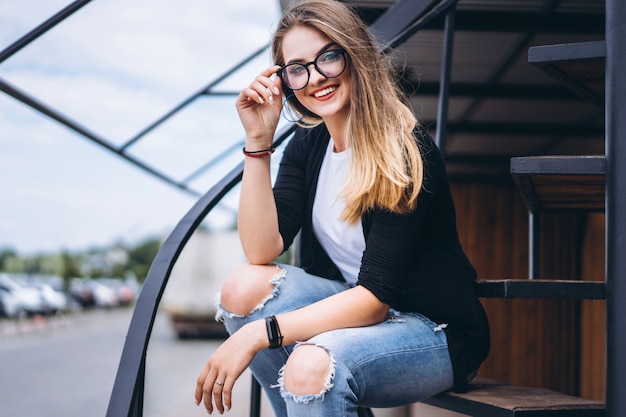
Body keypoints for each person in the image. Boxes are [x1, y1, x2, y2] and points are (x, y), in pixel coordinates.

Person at [195, 1, 490, 415]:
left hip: (432, 330)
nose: (315, 78)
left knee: (310, 365)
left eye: (328, 57)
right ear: (285, 81)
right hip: (355, 311)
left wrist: (258, 334)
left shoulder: (401, 148)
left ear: (355, 55)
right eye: (297, 68)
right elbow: (261, 251)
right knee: (242, 288)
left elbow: (374, 300)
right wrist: (259, 142)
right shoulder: (308, 144)